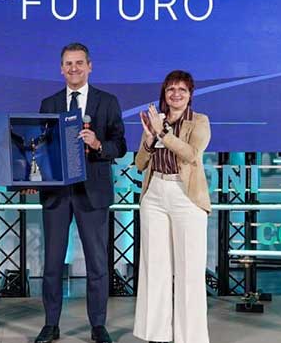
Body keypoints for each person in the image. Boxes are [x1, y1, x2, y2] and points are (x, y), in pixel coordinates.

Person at [31, 42, 126, 343]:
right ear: (61, 69)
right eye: (69, 64)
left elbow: (120, 146)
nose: (74, 68)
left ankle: (98, 325)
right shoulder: (49, 103)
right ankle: (51, 324)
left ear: (90, 66)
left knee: (97, 264)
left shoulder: (107, 102)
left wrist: (97, 144)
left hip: (93, 193)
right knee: (52, 263)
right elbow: (40, 148)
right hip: (57, 194)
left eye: (79, 63)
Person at [133, 70, 211, 343]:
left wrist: (163, 133)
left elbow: (191, 154)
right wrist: (148, 140)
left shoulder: (199, 121)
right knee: (154, 268)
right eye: (171, 89)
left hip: (186, 195)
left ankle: (190, 337)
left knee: (189, 270)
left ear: (190, 95)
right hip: (154, 192)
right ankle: (156, 335)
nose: (176, 94)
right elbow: (140, 163)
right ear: (164, 94)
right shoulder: (156, 121)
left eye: (182, 90)